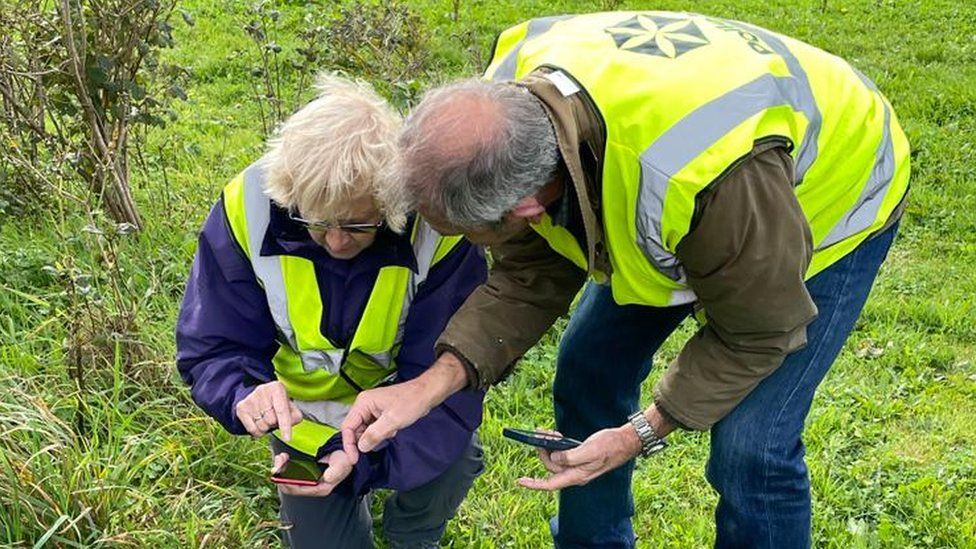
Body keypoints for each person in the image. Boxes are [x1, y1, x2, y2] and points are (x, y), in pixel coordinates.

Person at [340, 11, 910, 548]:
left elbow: (759, 332)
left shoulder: (700, 179)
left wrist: (641, 432)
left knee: (751, 446)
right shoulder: (502, 114)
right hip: (686, 191)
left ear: (527, 207)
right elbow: (531, 273)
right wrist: (426, 386)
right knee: (589, 369)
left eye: (475, 231)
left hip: (830, 193)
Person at [175, 74, 487, 549]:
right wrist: (244, 393)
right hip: (305, 425)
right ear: (289, 192)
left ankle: (412, 535)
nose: (337, 241)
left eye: (359, 224)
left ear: (392, 201)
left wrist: (367, 459)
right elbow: (213, 344)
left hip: (406, 411)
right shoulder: (249, 206)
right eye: (316, 222)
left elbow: (447, 375)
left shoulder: (438, 224)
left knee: (456, 457)